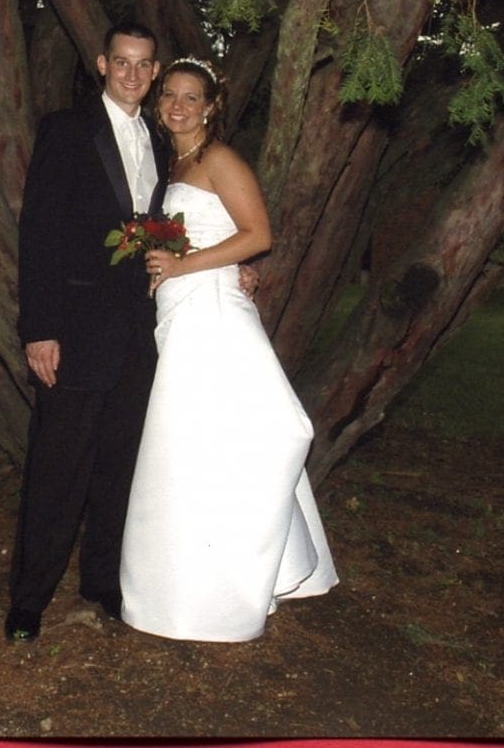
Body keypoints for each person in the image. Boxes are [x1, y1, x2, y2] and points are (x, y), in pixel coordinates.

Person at [120, 57, 338, 642]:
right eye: (170, 95)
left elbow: (258, 235)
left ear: (211, 107)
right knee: (195, 445)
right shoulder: (175, 164)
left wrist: (193, 265)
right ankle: (195, 583)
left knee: (251, 433)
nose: (178, 106)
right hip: (182, 313)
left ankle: (236, 581)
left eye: (192, 98)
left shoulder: (218, 158)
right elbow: (221, 238)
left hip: (211, 313)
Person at [5, 20, 168, 642]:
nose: (132, 73)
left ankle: (102, 584)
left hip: (141, 334)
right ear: (102, 64)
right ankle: (28, 601)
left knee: (119, 466)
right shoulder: (66, 131)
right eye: (121, 62)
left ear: (154, 72)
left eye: (143, 64)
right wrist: (40, 328)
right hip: (73, 332)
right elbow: (39, 233)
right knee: (58, 466)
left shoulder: (163, 136)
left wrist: (238, 272)